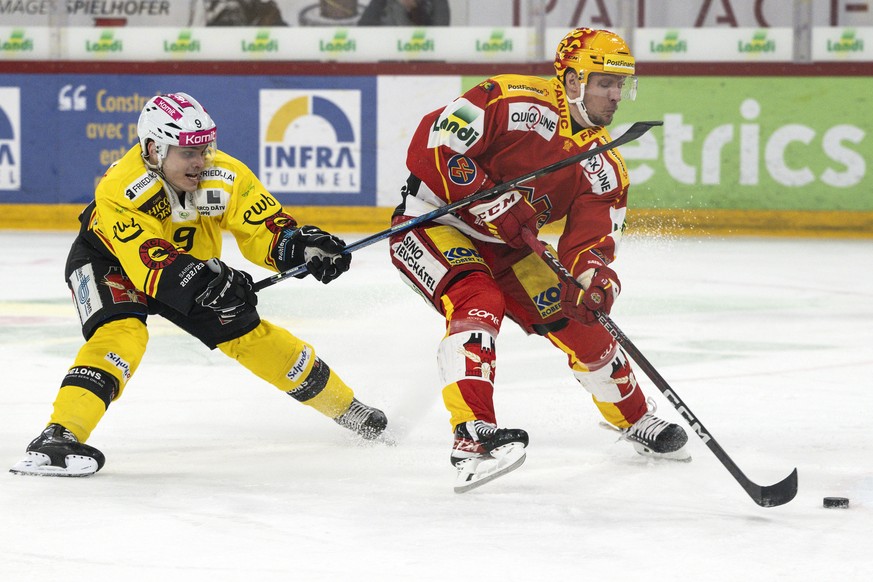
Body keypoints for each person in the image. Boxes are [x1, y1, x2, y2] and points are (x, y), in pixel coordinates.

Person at [10, 92, 386, 477]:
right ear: (154, 149)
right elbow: (149, 262)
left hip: (189, 268)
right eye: (188, 152)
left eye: (205, 148)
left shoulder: (223, 175)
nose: (201, 161)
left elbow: (262, 227)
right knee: (121, 335)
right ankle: (58, 436)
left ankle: (348, 408)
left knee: (249, 336)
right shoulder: (121, 189)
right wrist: (209, 283)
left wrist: (300, 246)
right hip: (109, 261)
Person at [388, 28, 690, 493]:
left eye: (620, 84)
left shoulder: (604, 164)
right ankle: (472, 436)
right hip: (432, 220)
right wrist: (486, 200)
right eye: (604, 83)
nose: (615, 96)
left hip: (512, 245)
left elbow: (591, 240)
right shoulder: (505, 97)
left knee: (579, 317)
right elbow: (436, 144)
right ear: (572, 81)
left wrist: (595, 277)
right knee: (478, 300)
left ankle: (634, 418)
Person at [358, 0, 449, 26]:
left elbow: (440, 35)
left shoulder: (437, 2)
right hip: (389, 62)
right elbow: (365, 27)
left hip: (425, 64)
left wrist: (417, 9)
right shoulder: (381, 2)